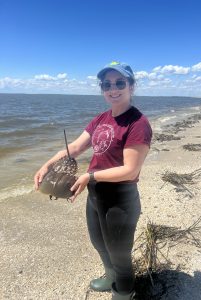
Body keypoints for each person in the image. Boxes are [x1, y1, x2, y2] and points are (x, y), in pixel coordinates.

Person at [34, 61, 152, 300]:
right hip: (96, 194)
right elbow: (75, 147)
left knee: (120, 253)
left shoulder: (138, 123)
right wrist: (47, 164)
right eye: (107, 84)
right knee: (99, 242)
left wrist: (89, 175)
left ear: (132, 85)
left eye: (120, 82)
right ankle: (111, 277)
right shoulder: (101, 119)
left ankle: (124, 292)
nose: (113, 88)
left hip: (120, 199)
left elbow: (130, 170)